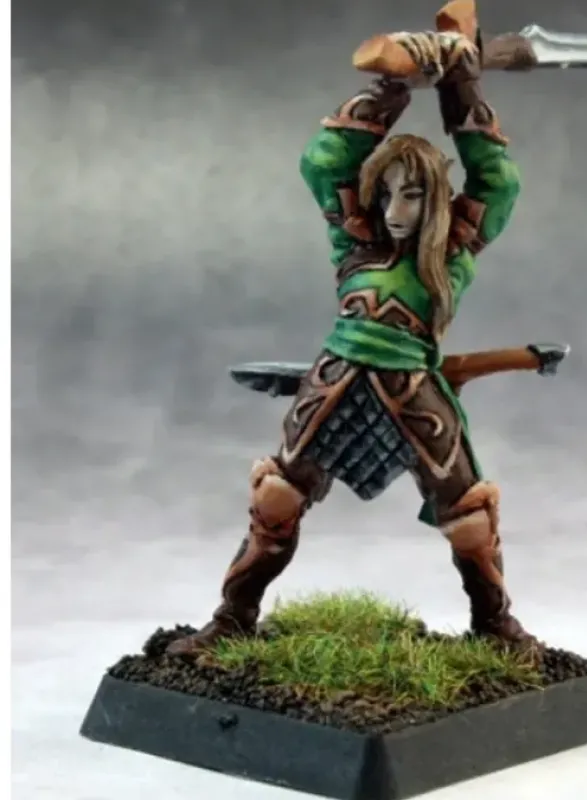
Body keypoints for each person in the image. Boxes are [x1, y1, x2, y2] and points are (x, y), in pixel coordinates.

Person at [168, 35, 542, 659]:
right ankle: (233, 619)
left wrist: (461, 85)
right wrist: (393, 87)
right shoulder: (356, 243)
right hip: (333, 384)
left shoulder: (453, 252)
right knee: (275, 500)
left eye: (412, 194)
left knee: (471, 519)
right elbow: (322, 161)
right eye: (386, 192)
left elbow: (498, 180)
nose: (395, 209)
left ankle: (494, 624)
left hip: (414, 393)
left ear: (436, 199)